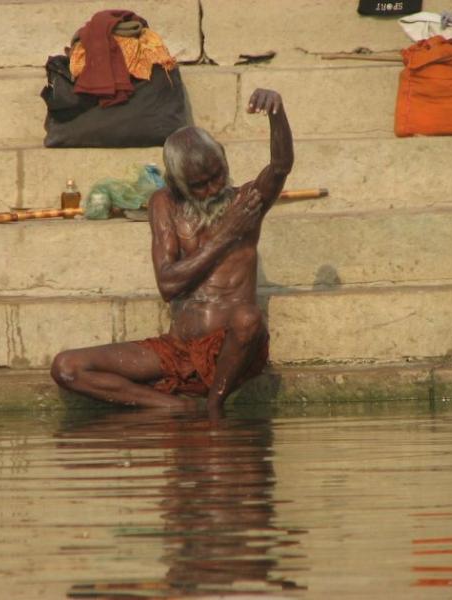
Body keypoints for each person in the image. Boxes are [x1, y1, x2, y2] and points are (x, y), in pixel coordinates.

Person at [51, 88, 293, 412]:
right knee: (66, 367)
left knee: (249, 319)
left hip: (231, 352)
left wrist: (276, 113)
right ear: (177, 183)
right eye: (198, 185)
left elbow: (280, 165)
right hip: (177, 348)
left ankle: (213, 405)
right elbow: (168, 285)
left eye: (217, 176)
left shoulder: (245, 203)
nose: (211, 189)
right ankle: (174, 407)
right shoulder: (164, 203)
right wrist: (228, 233)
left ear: (223, 157)